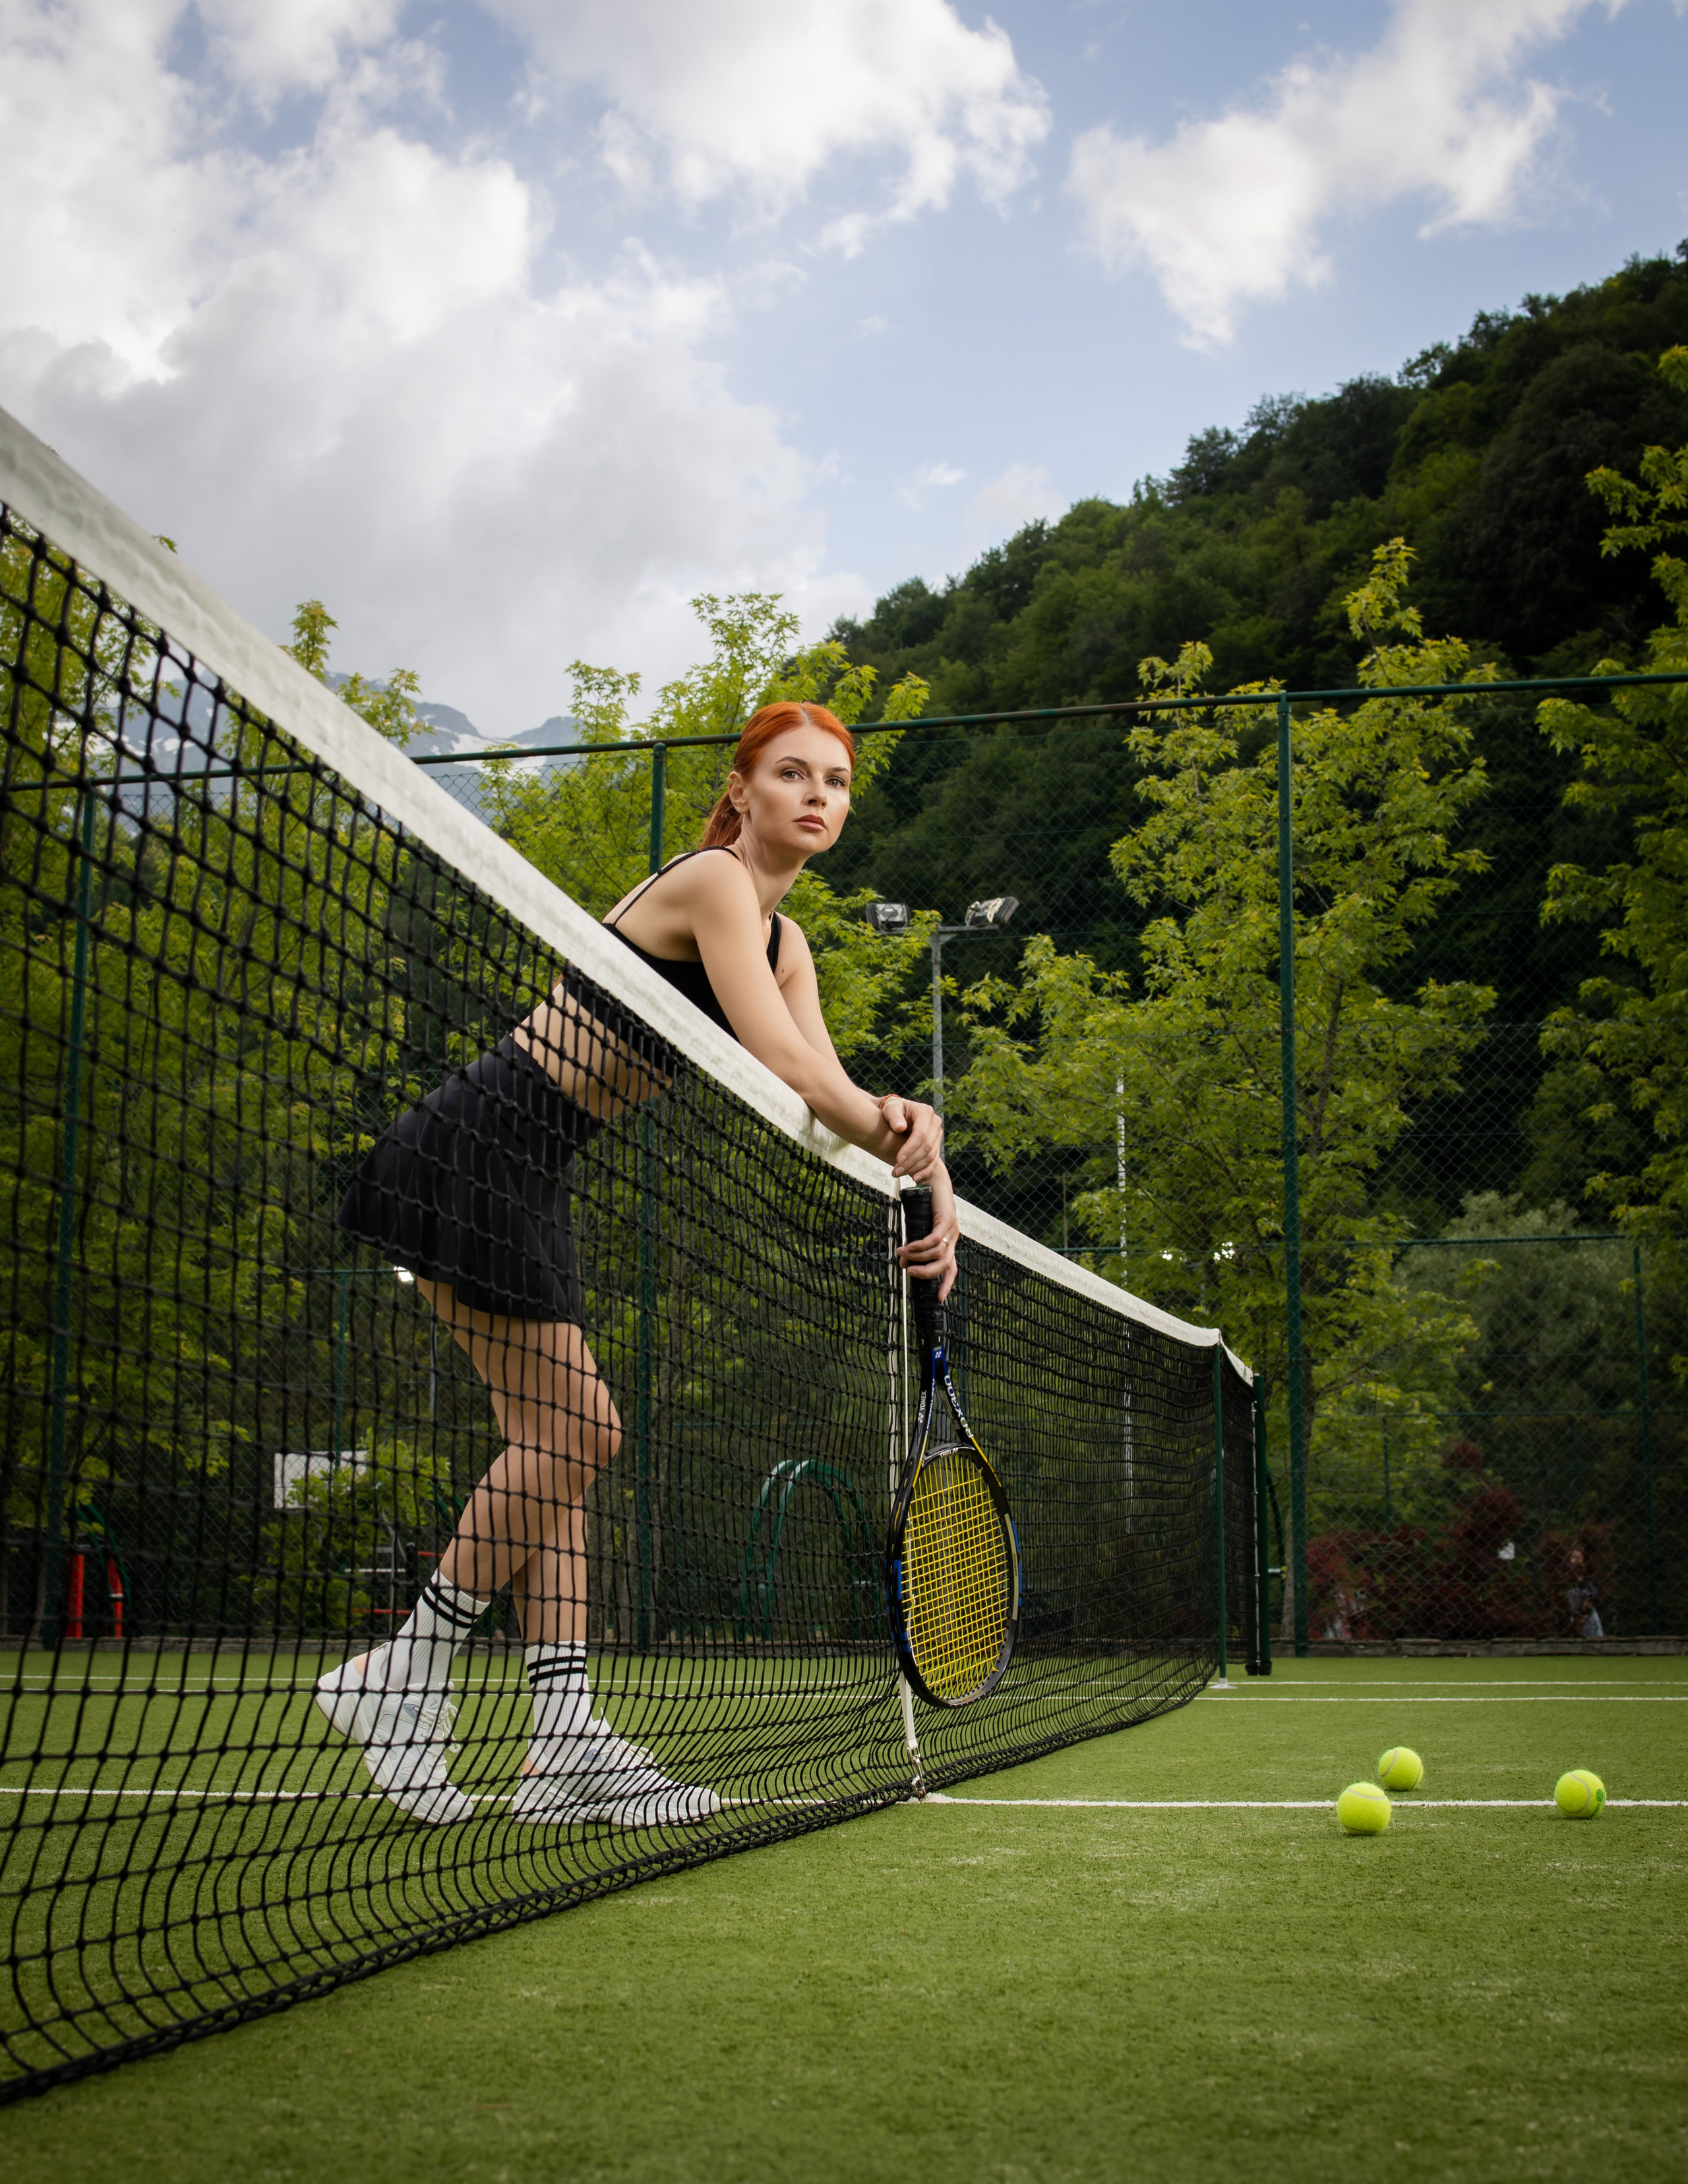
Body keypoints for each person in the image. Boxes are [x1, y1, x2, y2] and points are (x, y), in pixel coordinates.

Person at [317, 701, 958, 1827]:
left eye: (837, 781)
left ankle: (562, 1739)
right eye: (793, 773)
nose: (818, 795)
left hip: (532, 1171)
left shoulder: (788, 943)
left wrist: (926, 1168)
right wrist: (908, 1134)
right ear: (742, 790)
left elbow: (831, 1098)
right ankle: (400, 1672)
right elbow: (793, 1069)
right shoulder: (713, 882)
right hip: (475, 1148)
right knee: (582, 1432)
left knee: (554, 1449)